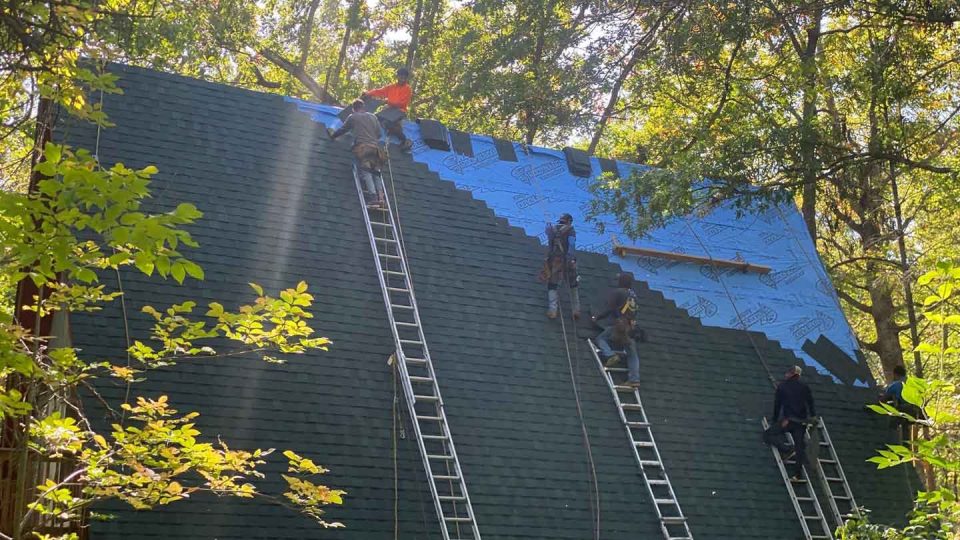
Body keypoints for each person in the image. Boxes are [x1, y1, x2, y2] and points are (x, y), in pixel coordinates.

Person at [328, 99, 386, 207]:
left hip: (364, 148)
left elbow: (343, 129)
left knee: (367, 172)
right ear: (363, 107)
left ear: (353, 109)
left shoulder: (353, 117)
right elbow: (379, 134)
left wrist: (333, 135)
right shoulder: (373, 117)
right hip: (376, 150)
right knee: (376, 174)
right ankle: (381, 198)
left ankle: (374, 198)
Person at [592, 272, 641, 387]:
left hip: (620, 325)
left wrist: (597, 317)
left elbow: (610, 309)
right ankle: (634, 379)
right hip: (631, 327)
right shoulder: (633, 295)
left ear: (621, 282)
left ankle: (610, 355)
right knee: (632, 353)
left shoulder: (618, 292)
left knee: (601, 338)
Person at [772, 366, 817, 480]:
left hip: (788, 421)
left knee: (768, 435)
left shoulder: (782, 387)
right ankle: (798, 474)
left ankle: (787, 449)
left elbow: (778, 405)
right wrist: (813, 416)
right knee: (799, 447)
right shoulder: (804, 387)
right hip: (801, 423)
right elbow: (810, 402)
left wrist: (774, 420)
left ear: (790, 374)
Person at [540, 213, 580, 320]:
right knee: (573, 284)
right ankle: (576, 310)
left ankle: (553, 310)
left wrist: (548, 227)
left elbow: (549, 243)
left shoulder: (552, 229)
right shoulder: (570, 230)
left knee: (552, 284)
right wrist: (570, 258)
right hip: (567, 261)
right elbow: (571, 245)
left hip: (555, 261)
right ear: (569, 221)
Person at [363, 67, 413, 151]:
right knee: (375, 118)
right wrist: (367, 93)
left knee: (389, 123)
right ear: (397, 76)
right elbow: (379, 91)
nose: (402, 79)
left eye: (404, 77)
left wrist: (386, 101)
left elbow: (402, 103)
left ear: (406, 78)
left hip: (400, 111)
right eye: (401, 77)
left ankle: (405, 141)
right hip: (390, 110)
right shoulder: (391, 87)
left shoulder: (407, 89)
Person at [880, 365, 914, 441]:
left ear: (895, 374)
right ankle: (907, 445)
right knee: (906, 428)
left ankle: (890, 443)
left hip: (904, 409)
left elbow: (883, 399)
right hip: (916, 411)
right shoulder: (912, 383)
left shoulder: (895, 385)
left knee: (892, 425)